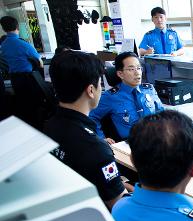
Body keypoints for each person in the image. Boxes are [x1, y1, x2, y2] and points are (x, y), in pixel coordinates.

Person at [44, 51, 130, 209]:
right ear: (91, 90)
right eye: (100, 84)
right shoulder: (96, 149)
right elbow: (120, 205)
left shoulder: (48, 126)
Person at [89, 51, 165, 142]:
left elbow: (162, 114)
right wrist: (101, 139)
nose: (137, 73)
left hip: (155, 139)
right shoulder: (110, 97)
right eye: (131, 69)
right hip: (129, 143)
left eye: (139, 68)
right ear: (120, 74)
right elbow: (91, 117)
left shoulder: (149, 89)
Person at [0, 15, 44, 127]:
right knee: (34, 105)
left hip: (14, 79)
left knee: (22, 103)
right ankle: (38, 126)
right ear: (17, 27)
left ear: (4, 29)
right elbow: (40, 63)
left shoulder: (3, 45)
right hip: (28, 79)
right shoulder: (24, 44)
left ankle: (26, 126)